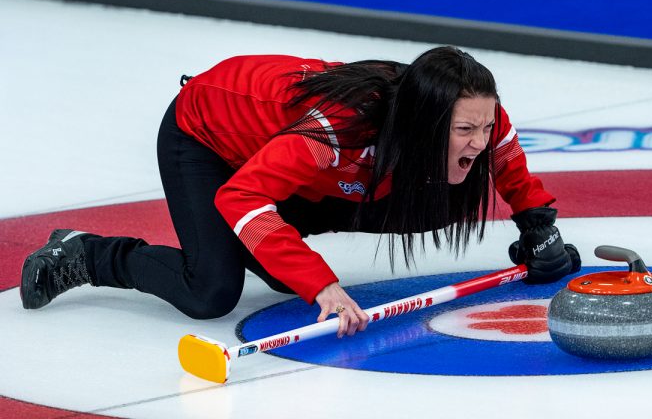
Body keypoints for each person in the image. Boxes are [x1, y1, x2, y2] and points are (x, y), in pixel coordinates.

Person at [20, 46, 580, 338]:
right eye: (466, 131)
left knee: (437, 198)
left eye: (484, 126)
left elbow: (507, 157)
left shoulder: (470, 108)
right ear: (425, 122)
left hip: (281, 159)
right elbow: (241, 197)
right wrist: (321, 284)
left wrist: (538, 227)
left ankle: (258, 245)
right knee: (210, 291)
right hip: (207, 136)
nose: (480, 141)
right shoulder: (339, 127)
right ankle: (87, 253)